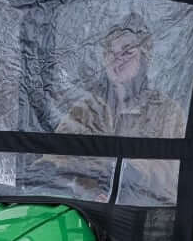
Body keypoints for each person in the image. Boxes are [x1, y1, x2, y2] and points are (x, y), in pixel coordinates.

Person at [35, 13, 184, 205]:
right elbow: (55, 157)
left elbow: (169, 173)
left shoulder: (166, 112)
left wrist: (121, 171)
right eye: (109, 52)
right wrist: (45, 169)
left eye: (127, 51)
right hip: (89, 212)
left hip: (142, 216)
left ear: (145, 56)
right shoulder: (86, 111)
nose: (117, 59)